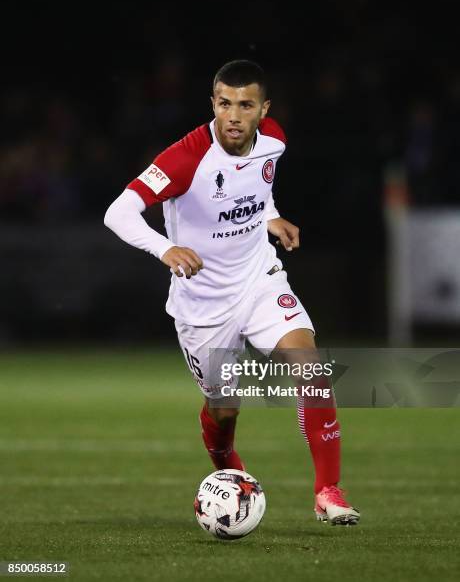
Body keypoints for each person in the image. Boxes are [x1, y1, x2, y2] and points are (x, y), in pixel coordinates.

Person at [104, 60, 360, 525]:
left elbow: (255, 188)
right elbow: (117, 213)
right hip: (203, 305)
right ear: (213, 105)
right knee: (224, 411)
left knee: (312, 368)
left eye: (245, 105)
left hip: (259, 280)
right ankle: (229, 473)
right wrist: (165, 248)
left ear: (264, 109)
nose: (235, 116)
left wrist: (269, 216)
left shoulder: (275, 140)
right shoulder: (184, 158)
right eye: (225, 104)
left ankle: (328, 490)